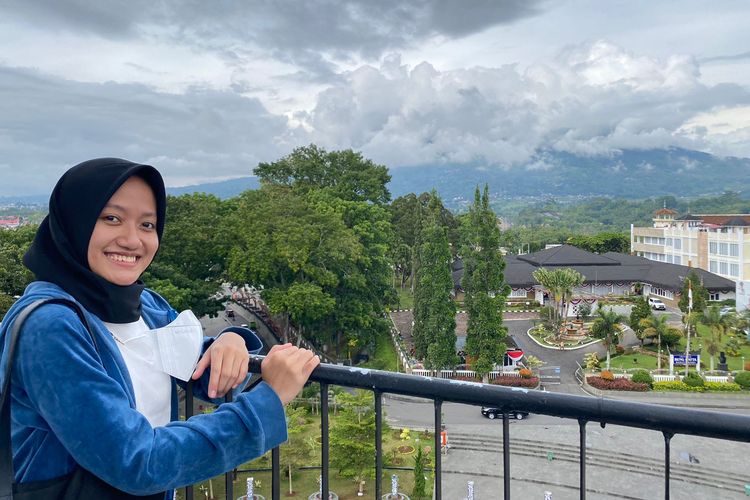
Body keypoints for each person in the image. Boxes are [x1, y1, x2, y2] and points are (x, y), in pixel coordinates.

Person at [0, 158, 320, 496]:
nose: (132, 240)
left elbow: (203, 375)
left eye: (147, 225)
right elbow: (138, 462)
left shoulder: (145, 306)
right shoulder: (49, 326)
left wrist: (232, 341)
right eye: (111, 218)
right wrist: (268, 401)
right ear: (73, 223)